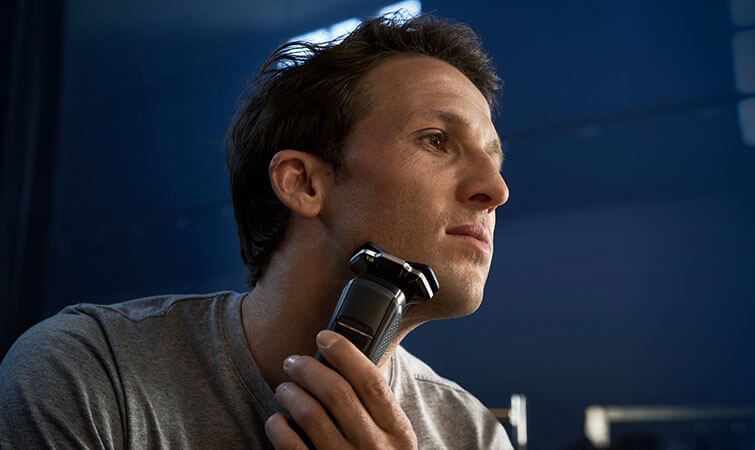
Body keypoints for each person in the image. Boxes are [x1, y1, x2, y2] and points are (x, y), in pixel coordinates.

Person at [0, 14, 512, 449]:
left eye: (495, 161)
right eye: (436, 140)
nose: (496, 189)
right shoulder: (89, 374)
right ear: (303, 183)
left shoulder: (474, 435)